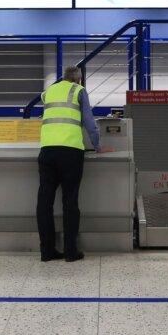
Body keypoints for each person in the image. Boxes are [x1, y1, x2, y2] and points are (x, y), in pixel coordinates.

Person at [35, 66, 99, 262]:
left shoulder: (48, 92)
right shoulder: (79, 91)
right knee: (69, 202)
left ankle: (47, 251)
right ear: (78, 80)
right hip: (70, 152)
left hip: (46, 151)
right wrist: (97, 144)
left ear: (64, 78)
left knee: (44, 202)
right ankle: (70, 251)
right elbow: (88, 121)